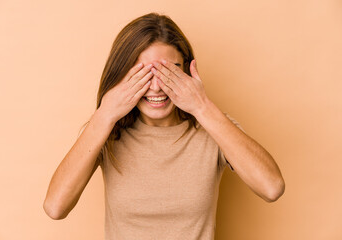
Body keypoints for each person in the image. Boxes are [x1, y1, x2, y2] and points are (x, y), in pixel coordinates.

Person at [43, 12, 285, 239]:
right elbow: (55, 208)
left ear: (189, 72)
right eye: (144, 75)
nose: (157, 87)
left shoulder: (213, 127)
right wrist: (104, 114)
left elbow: (272, 188)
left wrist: (202, 106)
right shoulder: (105, 131)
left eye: (169, 73)